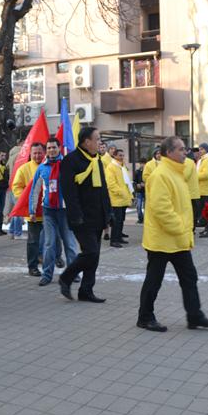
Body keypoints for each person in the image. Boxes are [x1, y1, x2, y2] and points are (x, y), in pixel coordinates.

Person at [137, 136, 208, 332]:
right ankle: (145, 317)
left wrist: (183, 233)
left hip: (177, 240)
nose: (186, 152)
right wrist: (182, 230)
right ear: (169, 153)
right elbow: (162, 210)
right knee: (154, 280)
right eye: (181, 149)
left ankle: (195, 316)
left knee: (189, 277)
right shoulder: (161, 175)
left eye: (185, 149)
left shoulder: (177, 173)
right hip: (162, 241)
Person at [58, 127, 111, 302]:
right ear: (86, 142)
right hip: (81, 217)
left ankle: (86, 291)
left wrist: (108, 214)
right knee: (90, 252)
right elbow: (68, 192)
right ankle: (66, 277)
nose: (100, 142)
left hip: (97, 216)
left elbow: (103, 190)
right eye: (97, 139)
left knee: (94, 256)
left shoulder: (96, 160)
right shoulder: (70, 160)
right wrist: (76, 216)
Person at [29, 137, 78, 286]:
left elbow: (76, 187)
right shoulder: (42, 168)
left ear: (59, 148)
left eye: (53, 147)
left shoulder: (67, 165)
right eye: (48, 148)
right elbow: (35, 190)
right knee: (49, 244)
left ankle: (73, 273)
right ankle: (47, 275)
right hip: (49, 212)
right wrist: (32, 210)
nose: (51, 150)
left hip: (65, 211)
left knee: (70, 244)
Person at [12, 142, 46, 276]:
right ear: (30, 154)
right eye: (35, 153)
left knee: (52, 239)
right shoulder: (24, 169)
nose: (37, 155)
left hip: (49, 210)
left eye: (39, 153)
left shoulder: (49, 166)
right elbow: (16, 187)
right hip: (33, 211)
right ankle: (32, 266)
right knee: (33, 240)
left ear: (44, 153)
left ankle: (51, 258)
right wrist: (26, 198)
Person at [105, 148, 133, 247]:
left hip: (123, 199)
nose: (122, 157)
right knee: (116, 221)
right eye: (120, 155)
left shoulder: (122, 166)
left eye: (122, 155)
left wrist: (129, 195)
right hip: (116, 199)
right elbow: (111, 184)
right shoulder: (111, 167)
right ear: (114, 156)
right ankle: (114, 240)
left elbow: (127, 182)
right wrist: (122, 193)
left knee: (121, 220)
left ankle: (119, 237)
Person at [0, 151, 9, 236]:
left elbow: (5, 176)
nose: (3, 157)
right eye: (1, 155)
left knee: (1, 210)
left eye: (4, 155)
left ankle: (0, 228)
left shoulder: (4, 165)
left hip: (3, 189)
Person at [134, 159, 146, 224]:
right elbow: (134, 181)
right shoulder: (137, 172)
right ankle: (140, 219)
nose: (142, 165)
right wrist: (137, 184)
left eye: (144, 163)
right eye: (141, 163)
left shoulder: (148, 171)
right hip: (139, 191)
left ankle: (146, 219)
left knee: (146, 206)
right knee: (138, 206)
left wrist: (145, 184)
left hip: (147, 191)